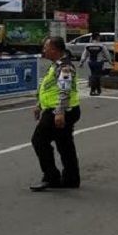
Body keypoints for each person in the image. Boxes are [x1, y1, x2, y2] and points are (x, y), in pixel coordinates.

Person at [30, 36, 81, 191]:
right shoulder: (55, 65)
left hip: (59, 110)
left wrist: (59, 112)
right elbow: (49, 87)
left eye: (46, 47)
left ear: (55, 49)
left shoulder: (64, 66)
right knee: (64, 144)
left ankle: (51, 176)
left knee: (39, 140)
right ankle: (71, 178)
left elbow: (64, 90)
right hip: (62, 109)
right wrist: (39, 104)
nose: (43, 50)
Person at [79, 31, 112, 96]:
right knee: (96, 76)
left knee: (94, 75)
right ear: (97, 37)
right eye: (99, 37)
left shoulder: (88, 46)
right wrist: (110, 61)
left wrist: (81, 62)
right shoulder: (101, 46)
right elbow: (107, 54)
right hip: (99, 63)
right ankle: (93, 90)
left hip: (91, 62)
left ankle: (98, 89)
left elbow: (84, 55)